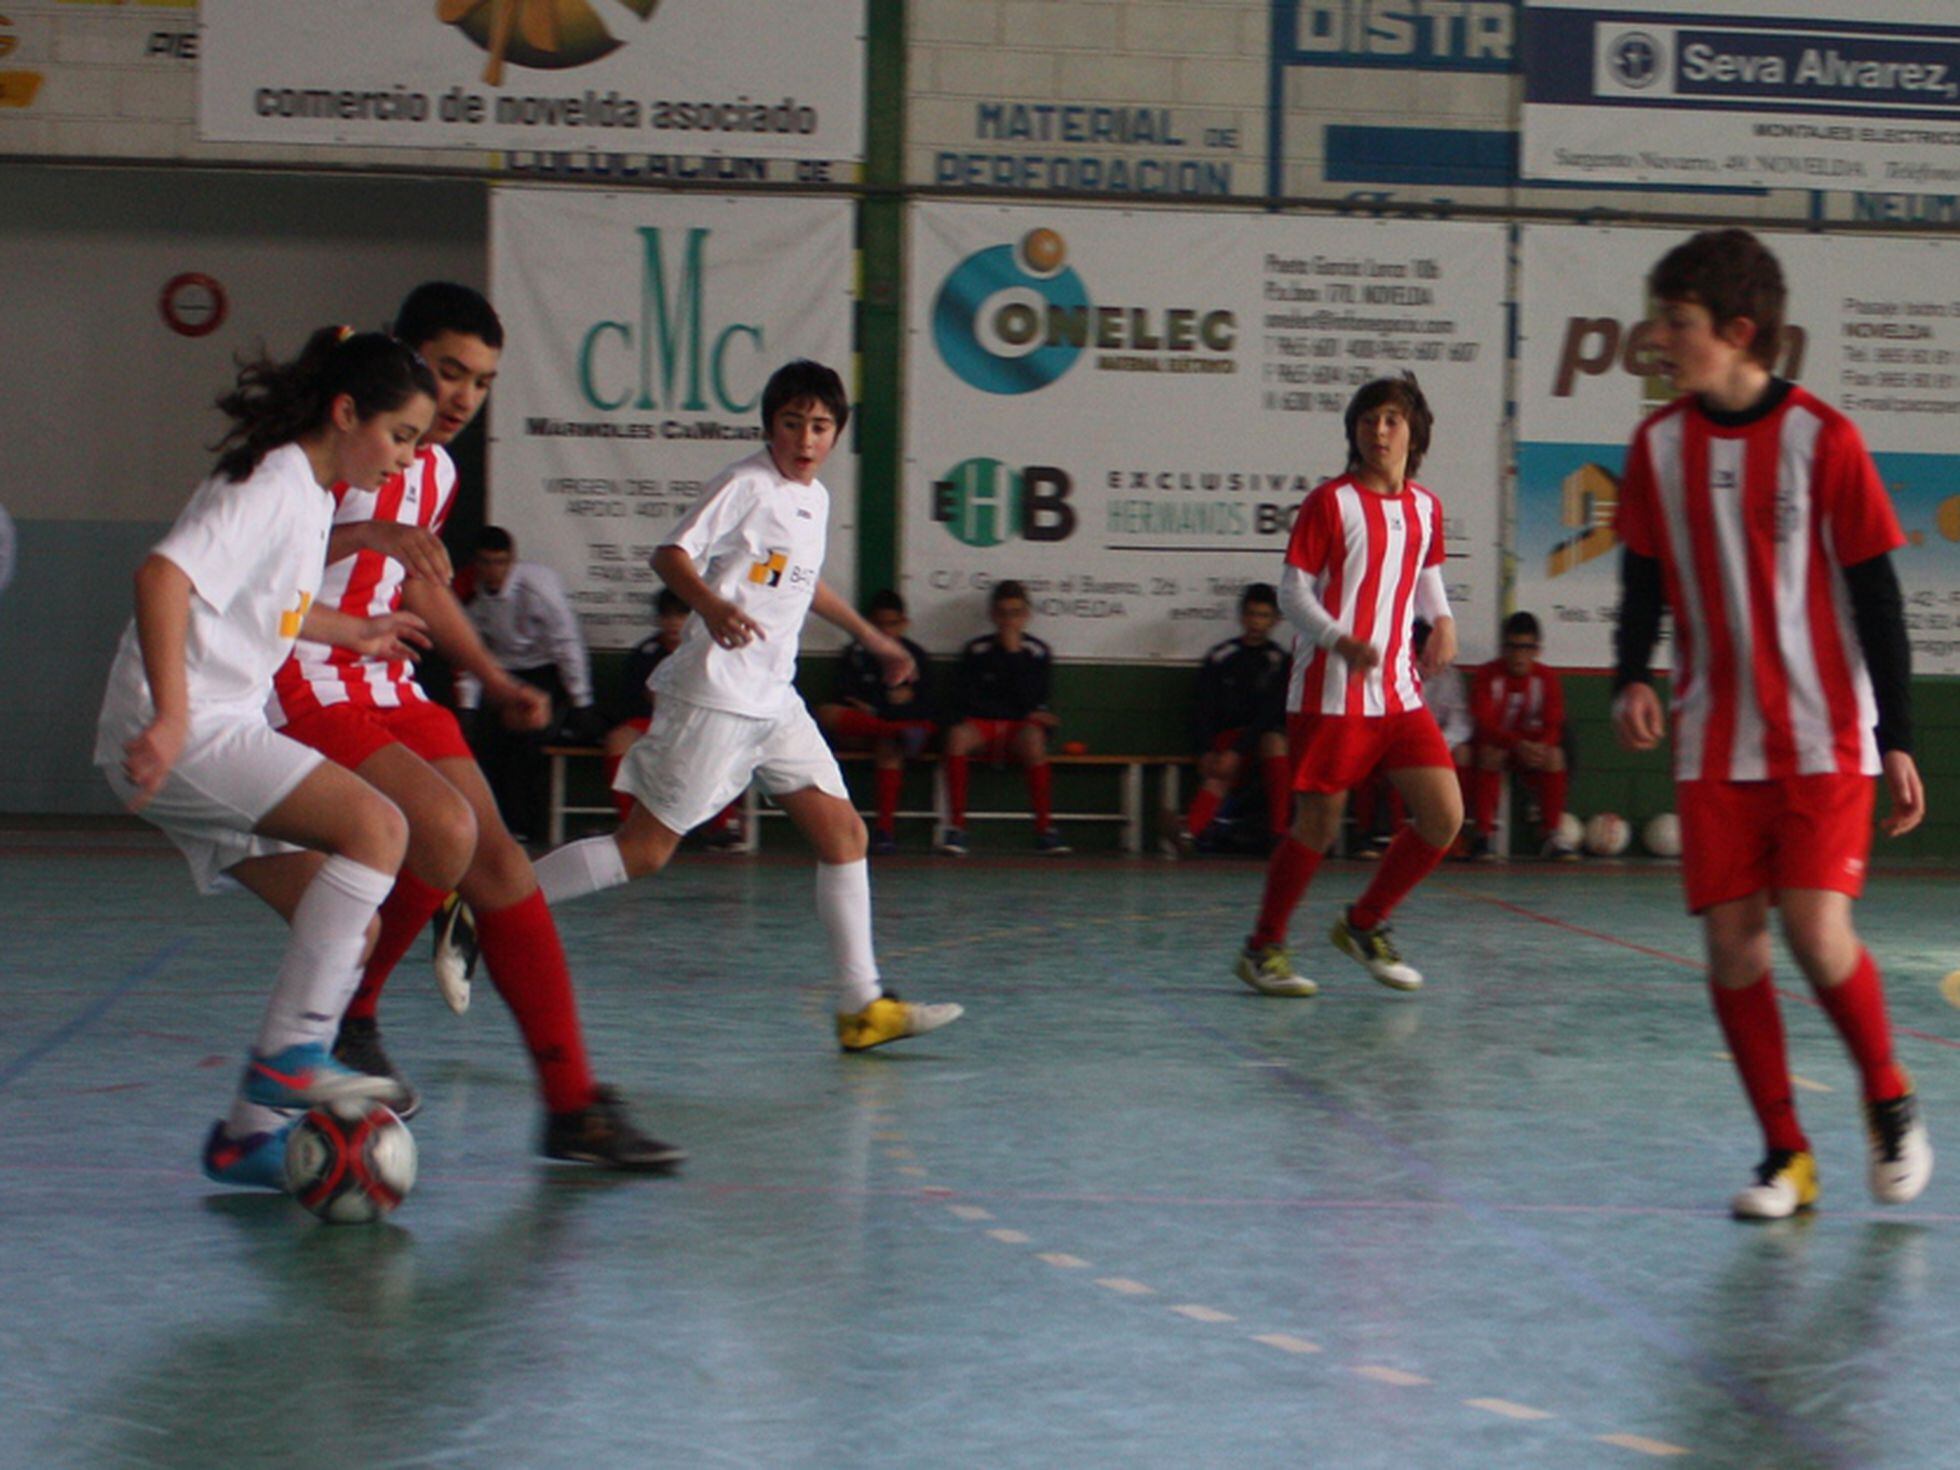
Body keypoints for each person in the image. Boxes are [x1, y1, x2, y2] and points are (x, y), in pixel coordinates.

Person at [269, 282, 681, 1170]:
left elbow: (418, 583)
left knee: (495, 858)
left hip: (382, 674)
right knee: (444, 831)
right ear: (402, 359)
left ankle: (573, 1106)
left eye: (482, 381)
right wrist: (367, 535)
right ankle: (353, 1010)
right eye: (448, 371)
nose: (462, 396)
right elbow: (263, 565)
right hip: (300, 670)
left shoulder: (440, 471)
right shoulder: (337, 449)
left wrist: (493, 679)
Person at [1611, 227, 1929, 1220]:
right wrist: (1629, 674)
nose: (1660, 340)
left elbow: (1876, 594)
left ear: (1739, 332)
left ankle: (1887, 1093)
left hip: (1825, 732)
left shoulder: (1822, 441)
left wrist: (1899, 737)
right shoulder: (1657, 446)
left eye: (1678, 324)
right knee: (1734, 949)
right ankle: (1785, 1154)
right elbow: (1642, 575)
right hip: (1714, 737)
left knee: (1813, 929)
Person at [531, 359, 963, 1052]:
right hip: (717, 694)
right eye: (792, 423)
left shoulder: (812, 500)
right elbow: (670, 556)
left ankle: (863, 1007)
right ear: (770, 426)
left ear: (836, 434)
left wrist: (872, 637)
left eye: (820, 425)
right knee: (643, 851)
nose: (806, 437)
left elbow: (804, 582)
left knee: (844, 835)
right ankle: (492, 899)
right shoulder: (744, 484)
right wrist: (713, 605)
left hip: (774, 702)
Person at [95, 327, 433, 1190]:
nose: (403, 462)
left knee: (347, 923)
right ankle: (289, 1061)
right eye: (398, 436)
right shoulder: (276, 479)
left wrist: (347, 630)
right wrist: (171, 719)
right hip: (189, 728)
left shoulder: (315, 492)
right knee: (379, 827)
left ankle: (247, 1139)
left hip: (210, 724)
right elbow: (162, 577)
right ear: (346, 410)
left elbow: (267, 600)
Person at [1234, 373, 1463, 999]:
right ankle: (1263, 948)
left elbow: (1426, 573)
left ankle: (1364, 924)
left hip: (1399, 690)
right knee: (1319, 823)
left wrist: (1442, 620)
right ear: (1353, 432)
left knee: (1444, 816)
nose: (1379, 430)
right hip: (1331, 690)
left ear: (1413, 431)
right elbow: (1292, 591)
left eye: (1391, 419)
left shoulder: (1425, 507)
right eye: (1368, 420)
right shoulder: (1330, 503)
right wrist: (1339, 639)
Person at [457, 525, 603, 843]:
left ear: (512, 561)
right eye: (486, 563)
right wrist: (467, 706)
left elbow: (567, 643)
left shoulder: (539, 586)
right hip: (500, 674)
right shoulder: (468, 596)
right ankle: (493, 826)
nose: (493, 571)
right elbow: (470, 650)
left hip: (545, 670)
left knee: (530, 740)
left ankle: (527, 827)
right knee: (486, 744)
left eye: (500, 562)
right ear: (476, 564)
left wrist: (582, 701)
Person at [938, 581, 1068, 856]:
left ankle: (1045, 830)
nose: (1010, 619)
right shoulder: (976, 651)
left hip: (1019, 729)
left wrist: (1013, 655)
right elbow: (965, 699)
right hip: (983, 725)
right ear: (993, 615)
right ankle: (957, 828)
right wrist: (1014, 709)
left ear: (1026, 615)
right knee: (957, 736)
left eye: (1016, 612)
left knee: (1034, 739)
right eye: (1004, 613)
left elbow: (1034, 700)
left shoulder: (1037, 652)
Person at [1172, 582, 1293, 856]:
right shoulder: (1221, 657)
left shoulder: (1279, 661)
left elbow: (1271, 713)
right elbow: (1202, 707)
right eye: (1251, 614)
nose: (1256, 622)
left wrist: (1240, 750)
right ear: (1242, 616)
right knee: (1219, 774)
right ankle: (1189, 834)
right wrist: (1205, 750)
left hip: (1259, 741)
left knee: (1275, 741)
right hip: (1227, 740)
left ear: (1274, 620)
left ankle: (1279, 833)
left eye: (1263, 616)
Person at [815, 589, 936, 856]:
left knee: (890, 746)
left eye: (891, 623)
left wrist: (886, 707)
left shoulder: (915, 657)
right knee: (827, 713)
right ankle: (894, 731)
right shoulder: (855, 654)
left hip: (894, 735)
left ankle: (884, 830)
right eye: (879, 624)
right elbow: (845, 699)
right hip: (864, 727)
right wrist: (886, 706)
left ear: (904, 623)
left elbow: (926, 706)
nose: (885, 630)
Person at [1468, 611, 1575, 861]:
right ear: (1504, 648)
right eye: (1513, 647)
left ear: (1537, 650)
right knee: (1489, 754)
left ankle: (1550, 834)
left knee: (1555, 756)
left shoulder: (1547, 679)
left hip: (1531, 751)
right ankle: (1482, 836)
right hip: (1500, 747)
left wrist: (1541, 747)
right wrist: (1516, 744)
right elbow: (1483, 723)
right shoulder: (1487, 675)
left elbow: (1554, 723)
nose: (1519, 655)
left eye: (1526, 648)